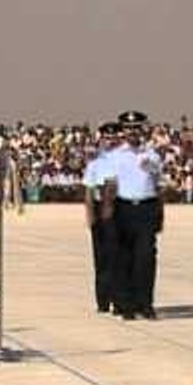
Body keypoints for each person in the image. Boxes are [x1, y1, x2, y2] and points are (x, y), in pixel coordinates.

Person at [103, 110, 162, 320]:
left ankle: (145, 303)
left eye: (136, 128)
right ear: (123, 131)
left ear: (142, 130)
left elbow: (158, 185)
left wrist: (159, 214)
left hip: (146, 208)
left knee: (146, 259)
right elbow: (110, 186)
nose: (132, 133)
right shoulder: (115, 156)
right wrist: (108, 214)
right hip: (123, 208)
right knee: (124, 258)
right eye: (128, 129)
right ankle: (125, 304)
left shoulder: (152, 155)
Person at [83, 122, 121, 313]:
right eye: (107, 138)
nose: (110, 141)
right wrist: (90, 214)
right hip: (100, 208)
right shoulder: (95, 164)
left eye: (113, 138)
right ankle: (103, 299)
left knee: (118, 255)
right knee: (101, 256)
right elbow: (89, 191)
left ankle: (118, 297)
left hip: (119, 208)